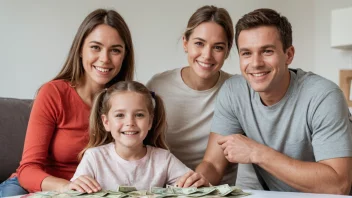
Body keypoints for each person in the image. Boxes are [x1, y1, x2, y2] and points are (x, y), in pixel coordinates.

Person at [177, 8, 352, 194]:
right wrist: (200, 179)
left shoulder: (323, 96)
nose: (256, 63)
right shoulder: (233, 91)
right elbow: (213, 164)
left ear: (289, 55)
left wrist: (257, 153)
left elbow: (338, 185)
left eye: (267, 51)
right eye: (246, 53)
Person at [0, 8, 135, 197]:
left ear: (124, 56)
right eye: (95, 47)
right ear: (80, 50)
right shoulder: (54, 93)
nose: (105, 59)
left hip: (90, 193)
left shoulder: (128, 101)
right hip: (33, 188)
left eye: (115, 50)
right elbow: (28, 170)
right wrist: (66, 187)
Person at [147, 5, 238, 186]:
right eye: (199, 43)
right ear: (185, 43)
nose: (207, 55)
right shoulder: (158, 86)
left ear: (227, 51)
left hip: (212, 190)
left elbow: (213, 165)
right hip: (166, 188)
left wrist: (194, 187)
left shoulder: (236, 90)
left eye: (218, 47)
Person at [70, 81, 204, 192]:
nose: (130, 123)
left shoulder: (164, 159)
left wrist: (199, 184)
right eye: (120, 115)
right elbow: (74, 192)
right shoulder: (94, 157)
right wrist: (74, 188)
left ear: (150, 121)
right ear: (106, 122)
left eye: (139, 115)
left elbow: (195, 187)